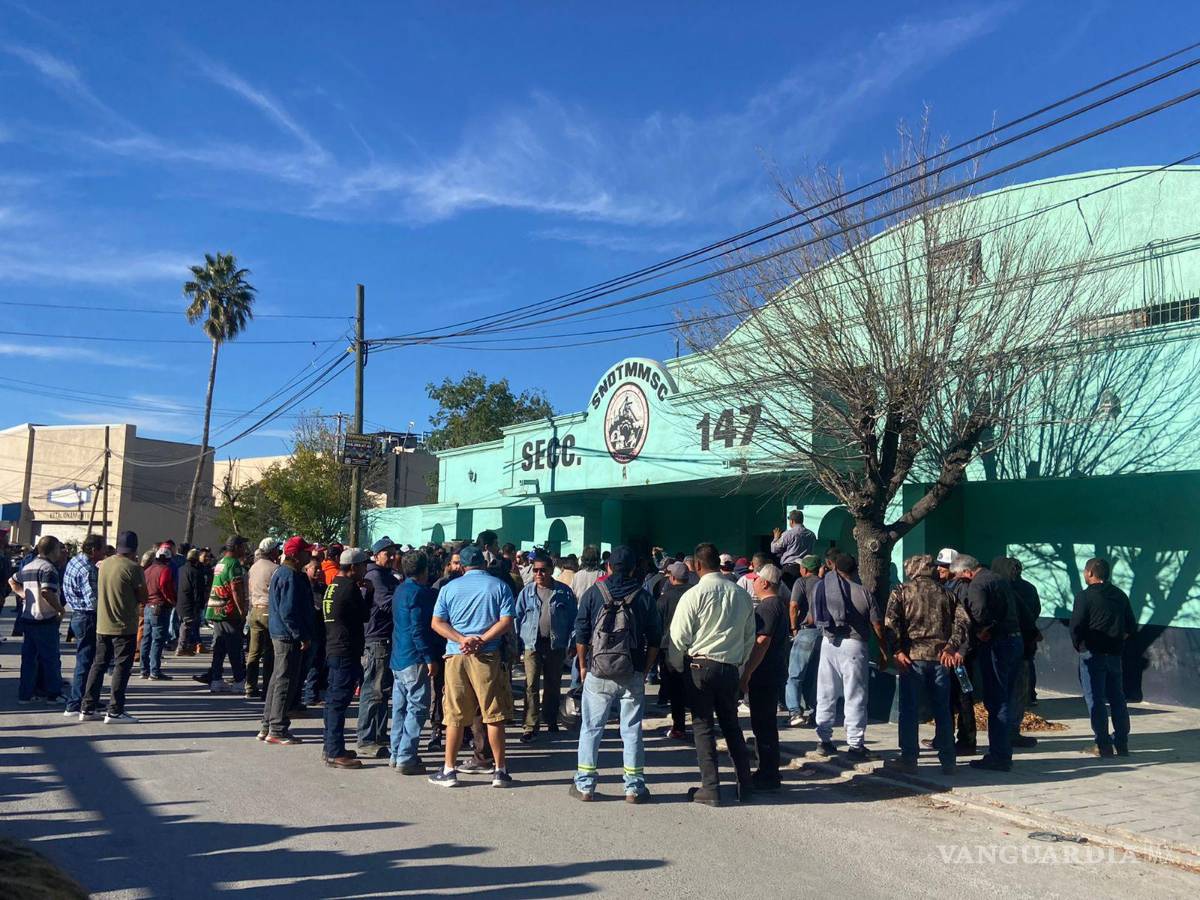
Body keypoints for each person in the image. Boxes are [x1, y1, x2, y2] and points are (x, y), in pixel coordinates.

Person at [569, 546, 660, 803]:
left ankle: (585, 785)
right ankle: (634, 787)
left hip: (598, 671)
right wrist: (645, 669)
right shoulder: (643, 597)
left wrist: (584, 665)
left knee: (591, 728)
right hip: (632, 670)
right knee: (631, 730)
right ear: (633, 568)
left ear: (608, 567)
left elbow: (581, 631)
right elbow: (655, 638)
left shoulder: (593, 593)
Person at [668, 543, 756, 806]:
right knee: (731, 725)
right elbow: (749, 636)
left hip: (700, 666)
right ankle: (745, 785)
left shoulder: (694, 595)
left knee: (703, 726)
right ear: (718, 563)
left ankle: (711, 787)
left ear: (696, 566)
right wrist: (740, 665)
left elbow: (678, 637)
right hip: (729, 666)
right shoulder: (740, 594)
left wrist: (677, 665)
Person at [428, 544, 516, 788]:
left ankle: (449, 770)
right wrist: (482, 640)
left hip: (456, 656)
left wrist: (461, 639)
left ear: (462, 565)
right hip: (487, 656)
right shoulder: (500, 586)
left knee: (454, 715)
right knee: (493, 714)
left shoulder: (449, 588)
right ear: (485, 563)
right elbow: (506, 621)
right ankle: (500, 770)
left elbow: (437, 623)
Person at [882, 554, 972, 775]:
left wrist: (897, 651)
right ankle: (948, 760)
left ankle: (909, 758)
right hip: (941, 659)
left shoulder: (901, 591)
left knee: (909, 710)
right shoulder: (947, 593)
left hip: (912, 659)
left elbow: (890, 623)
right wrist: (951, 646)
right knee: (942, 710)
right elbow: (963, 621)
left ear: (913, 569)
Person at [951, 554, 1022, 772]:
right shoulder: (998, 579)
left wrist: (979, 632)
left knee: (996, 700)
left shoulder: (977, 585)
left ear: (966, 572)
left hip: (997, 646)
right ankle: (1003, 750)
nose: (958, 580)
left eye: (958, 576)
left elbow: (978, 613)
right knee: (1007, 698)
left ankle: (999, 755)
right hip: (1014, 640)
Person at [812, 553, 884, 761]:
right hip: (854, 645)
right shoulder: (863, 592)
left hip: (828, 642)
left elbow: (813, 616)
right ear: (854, 570)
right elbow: (877, 624)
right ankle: (855, 744)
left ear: (835, 568)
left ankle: (823, 740)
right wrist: (882, 649)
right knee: (855, 695)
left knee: (825, 692)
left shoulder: (822, 588)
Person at [1071, 557, 1136, 758]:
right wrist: (1116, 641)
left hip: (1092, 654)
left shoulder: (1084, 596)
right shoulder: (1120, 595)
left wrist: (1080, 646)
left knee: (1095, 700)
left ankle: (1103, 744)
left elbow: (1076, 626)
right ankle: (1122, 743)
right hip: (1114, 654)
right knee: (1117, 698)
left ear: (1090, 573)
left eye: (1085, 571)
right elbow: (1130, 627)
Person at [80, 531, 147, 723]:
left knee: (98, 665)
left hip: (103, 624)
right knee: (121, 668)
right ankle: (115, 710)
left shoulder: (104, 564)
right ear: (134, 549)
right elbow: (143, 597)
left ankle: (87, 707)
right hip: (124, 626)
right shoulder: (134, 568)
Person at [514, 551, 578, 743]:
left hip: (555, 645)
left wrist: (573, 643)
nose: (539, 574)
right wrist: (517, 645)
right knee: (531, 685)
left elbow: (573, 619)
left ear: (551, 571)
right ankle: (530, 725)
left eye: (543, 570)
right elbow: (517, 618)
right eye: (536, 570)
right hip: (532, 644)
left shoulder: (564, 592)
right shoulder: (527, 592)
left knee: (553, 684)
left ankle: (550, 719)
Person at [740, 564, 791, 791]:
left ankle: (768, 773)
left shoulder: (768, 607)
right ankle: (768, 771)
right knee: (765, 724)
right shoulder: (777, 605)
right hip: (773, 671)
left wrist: (747, 672)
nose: (753, 582)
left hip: (765, 673)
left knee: (763, 725)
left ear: (764, 583)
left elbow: (762, 641)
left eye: (756, 578)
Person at [260, 536, 314, 745]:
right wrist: (300, 635)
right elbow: (288, 611)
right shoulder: (289, 575)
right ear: (294, 555)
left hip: (280, 632)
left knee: (277, 679)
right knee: (285, 681)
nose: (308, 555)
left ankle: (267, 724)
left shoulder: (284, 573)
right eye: (305, 552)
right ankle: (277, 728)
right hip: (287, 635)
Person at [389, 549, 438, 774]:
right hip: (414, 656)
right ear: (424, 570)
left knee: (400, 707)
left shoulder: (400, 590)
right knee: (417, 707)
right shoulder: (421, 593)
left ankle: (396, 752)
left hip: (399, 655)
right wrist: (429, 657)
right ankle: (407, 756)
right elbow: (418, 628)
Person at [322, 548, 370, 768]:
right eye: (363, 566)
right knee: (338, 703)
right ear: (353, 567)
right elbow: (364, 615)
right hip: (345, 649)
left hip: (333, 646)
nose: (365, 570)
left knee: (333, 701)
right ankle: (334, 751)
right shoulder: (350, 588)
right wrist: (368, 593)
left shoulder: (333, 585)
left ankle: (332, 746)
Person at [11, 536, 66, 704]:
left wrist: (24, 595)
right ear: (52, 550)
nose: (60, 552)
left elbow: (12, 581)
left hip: (28, 618)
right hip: (45, 618)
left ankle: (25, 694)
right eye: (58, 549)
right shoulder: (48, 568)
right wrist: (60, 609)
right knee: (50, 659)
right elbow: (46, 592)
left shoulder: (28, 566)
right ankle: (53, 694)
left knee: (28, 659)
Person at [933, 547, 976, 755]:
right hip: (949, 650)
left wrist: (960, 650)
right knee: (949, 696)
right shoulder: (947, 586)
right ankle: (945, 737)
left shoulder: (960, 588)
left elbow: (965, 623)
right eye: (938, 565)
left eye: (944, 566)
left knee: (962, 696)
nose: (940, 569)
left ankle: (966, 740)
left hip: (958, 653)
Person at [359, 537, 398, 758]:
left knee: (383, 691)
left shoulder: (388, 576)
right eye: (387, 553)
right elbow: (387, 604)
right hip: (376, 639)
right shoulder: (375, 576)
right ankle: (366, 739)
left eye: (393, 552)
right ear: (376, 555)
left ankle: (379, 734)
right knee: (373, 690)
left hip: (385, 638)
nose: (392, 557)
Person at [61, 535, 103, 716]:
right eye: (102, 549)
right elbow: (93, 600)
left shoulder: (75, 561)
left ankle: (85, 699)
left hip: (77, 614)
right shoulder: (88, 569)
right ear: (94, 550)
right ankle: (75, 703)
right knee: (86, 662)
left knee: (85, 660)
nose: (104, 553)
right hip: (87, 616)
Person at [426, 548, 461, 752]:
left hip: (461, 647)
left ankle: (462, 732)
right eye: (454, 563)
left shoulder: (466, 587)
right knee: (438, 690)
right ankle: (436, 729)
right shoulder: (439, 587)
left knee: (459, 692)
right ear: (448, 565)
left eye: (460, 563)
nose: (457, 567)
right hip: (441, 645)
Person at [205, 536, 249, 694]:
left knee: (220, 647)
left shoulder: (220, 563)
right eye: (243, 546)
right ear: (236, 547)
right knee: (235, 648)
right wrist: (242, 610)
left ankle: (216, 679)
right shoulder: (234, 564)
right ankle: (239, 680)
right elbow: (235, 589)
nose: (245, 549)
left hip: (216, 609)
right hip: (228, 611)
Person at [1007, 557, 1042, 748]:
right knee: (1027, 670)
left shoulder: (1005, 589)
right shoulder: (1029, 588)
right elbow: (1036, 610)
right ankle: (1030, 695)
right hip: (1027, 639)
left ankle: (1009, 730)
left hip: (1010, 640)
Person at [785, 554, 823, 727]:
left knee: (795, 675)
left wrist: (793, 627)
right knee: (816, 677)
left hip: (806, 632)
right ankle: (816, 713)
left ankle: (795, 712)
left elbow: (793, 605)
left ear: (804, 569)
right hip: (824, 634)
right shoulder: (825, 583)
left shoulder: (801, 582)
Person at [656, 562, 691, 740]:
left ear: (672, 577)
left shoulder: (665, 598)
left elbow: (657, 625)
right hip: (693, 648)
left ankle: (679, 726)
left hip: (669, 648)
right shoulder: (695, 595)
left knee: (675, 690)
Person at [245, 538, 281, 699]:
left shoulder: (253, 567)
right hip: (268, 610)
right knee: (269, 653)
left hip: (255, 610)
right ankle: (267, 688)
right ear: (272, 551)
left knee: (254, 652)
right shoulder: (275, 569)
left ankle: (250, 686)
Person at [139, 544, 176, 681]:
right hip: (160, 607)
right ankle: (155, 671)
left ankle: (144, 670)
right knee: (157, 640)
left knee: (146, 639)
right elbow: (165, 587)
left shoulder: (148, 570)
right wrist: (172, 600)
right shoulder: (165, 570)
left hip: (148, 606)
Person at [175, 549, 206, 657]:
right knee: (187, 625)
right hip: (190, 602)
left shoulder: (181, 569)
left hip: (180, 600)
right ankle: (181, 647)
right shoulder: (195, 572)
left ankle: (184, 646)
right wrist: (199, 605)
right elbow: (197, 590)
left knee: (183, 625)